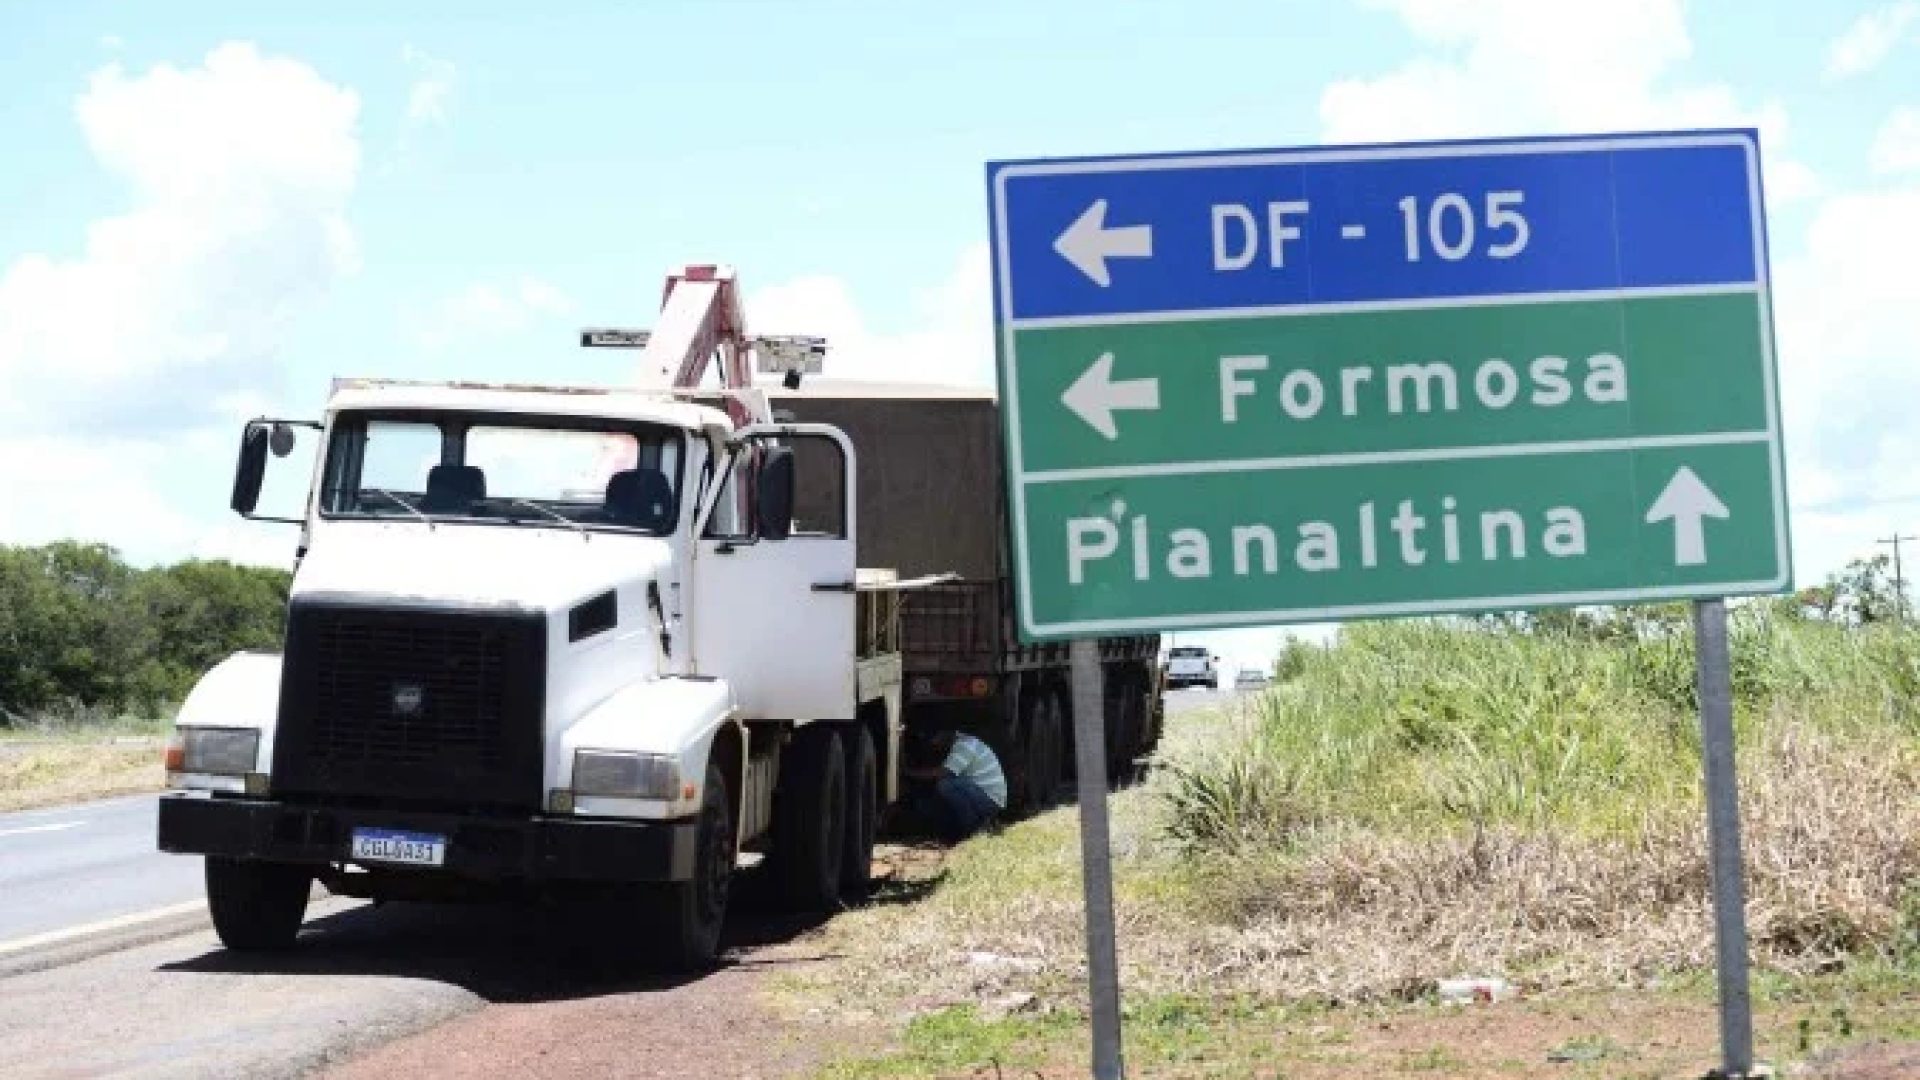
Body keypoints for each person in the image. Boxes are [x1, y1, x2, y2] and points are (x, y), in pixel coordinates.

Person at [902, 728, 1006, 841]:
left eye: (935, 740)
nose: (934, 744)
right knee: (939, 797)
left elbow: (943, 773)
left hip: (990, 799)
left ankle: (975, 828)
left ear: (945, 733)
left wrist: (909, 773)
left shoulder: (965, 745)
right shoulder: (963, 743)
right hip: (985, 796)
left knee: (946, 785)